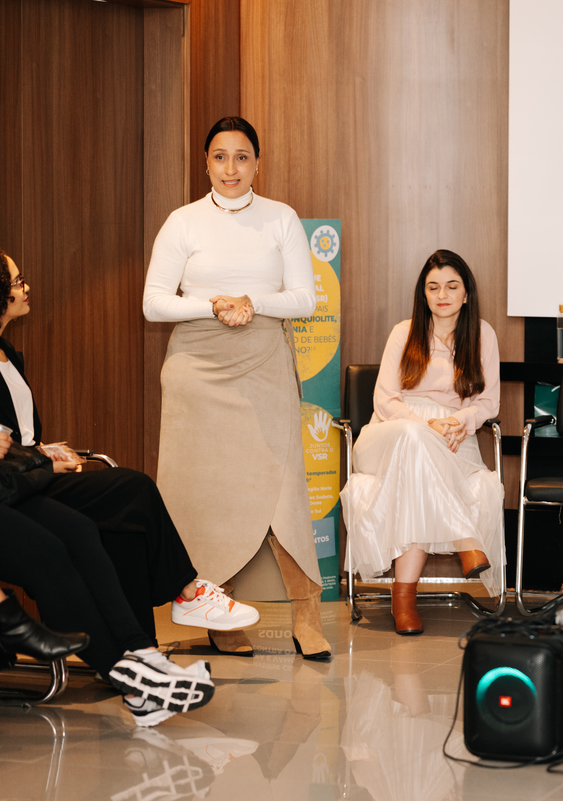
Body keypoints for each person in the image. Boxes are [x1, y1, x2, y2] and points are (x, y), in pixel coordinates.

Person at [143, 116, 329, 660]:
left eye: (242, 156)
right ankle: (215, 615)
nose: (231, 168)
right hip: (196, 372)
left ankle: (307, 615)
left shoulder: (281, 218)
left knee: (283, 491)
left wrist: (253, 303)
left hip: (264, 360)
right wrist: (214, 306)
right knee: (201, 497)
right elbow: (153, 303)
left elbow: (304, 299)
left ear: (257, 163)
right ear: (205, 164)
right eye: (220, 157)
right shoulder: (183, 222)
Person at [0, 251, 259, 641]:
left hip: (37, 471)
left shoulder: (8, 353)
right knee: (134, 489)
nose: (27, 288)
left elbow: (21, 434)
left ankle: (140, 648)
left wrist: (45, 450)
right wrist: (41, 463)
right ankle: (187, 593)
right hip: (17, 487)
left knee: (128, 525)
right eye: (19, 282)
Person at [340, 249, 503, 635]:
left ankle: (404, 599)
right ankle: (466, 540)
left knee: (417, 473)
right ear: (423, 293)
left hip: (454, 437)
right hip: (392, 432)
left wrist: (459, 421)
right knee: (414, 439)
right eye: (433, 287)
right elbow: (385, 400)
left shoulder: (483, 334)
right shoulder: (404, 331)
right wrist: (427, 425)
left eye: (452, 286)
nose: (442, 294)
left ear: (466, 293)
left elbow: (489, 402)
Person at [0, 436, 216, 726]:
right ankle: (132, 681)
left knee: (80, 528)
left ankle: (143, 654)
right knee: (48, 549)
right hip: (11, 486)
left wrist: (39, 460)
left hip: (12, 481)